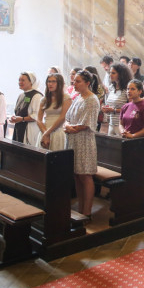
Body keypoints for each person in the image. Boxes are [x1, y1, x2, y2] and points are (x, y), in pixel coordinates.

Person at [63, 69, 100, 217]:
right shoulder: (78, 97)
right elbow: (67, 117)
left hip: (84, 141)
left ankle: (87, 211)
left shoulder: (92, 99)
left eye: (78, 81)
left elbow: (86, 124)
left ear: (87, 83)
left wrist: (70, 128)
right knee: (77, 175)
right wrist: (67, 126)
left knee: (85, 175)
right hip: (73, 140)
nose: (74, 84)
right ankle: (80, 207)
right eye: (74, 81)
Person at [119, 79, 144, 196]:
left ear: (140, 91)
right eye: (128, 89)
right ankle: (135, 194)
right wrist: (122, 131)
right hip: (126, 142)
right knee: (127, 171)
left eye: (132, 89)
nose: (129, 91)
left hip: (139, 144)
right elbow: (121, 124)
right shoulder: (125, 106)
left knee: (136, 172)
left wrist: (133, 135)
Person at [37, 73, 70, 152]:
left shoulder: (66, 98)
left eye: (53, 81)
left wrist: (47, 133)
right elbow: (38, 119)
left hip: (57, 131)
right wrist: (45, 133)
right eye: (49, 81)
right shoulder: (44, 99)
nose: (50, 84)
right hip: (44, 130)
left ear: (59, 84)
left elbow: (62, 118)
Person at [9, 72, 42, 144]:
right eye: (19, 80)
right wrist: (15, 118)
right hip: (19, 127)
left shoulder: (36, 96)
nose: (20, 82)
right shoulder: (21, 95)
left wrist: (22, 119)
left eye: (23, 80)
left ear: (31, 82)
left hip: (29, 129)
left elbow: (36, 116)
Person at [102, 63, 132, 136]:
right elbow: (110, 104)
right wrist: (105, 108)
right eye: (110, 73)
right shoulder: (111, 87)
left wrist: (114, 110)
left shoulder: (127, 89)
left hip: (122, 125)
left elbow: (130, 109)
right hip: (111, 123)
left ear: (121, 74)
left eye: (113, 73)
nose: (110, 75)